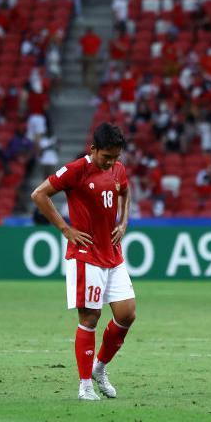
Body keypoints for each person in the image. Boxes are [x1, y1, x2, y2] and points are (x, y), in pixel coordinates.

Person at [30, 123, 135, 401]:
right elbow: (39, 195)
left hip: (112, 254)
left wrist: (123, 222)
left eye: (115, 157)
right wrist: (66, 230)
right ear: (93, 149)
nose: (111, 162)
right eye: (106, 157)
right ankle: (85, 384)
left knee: (126, 315)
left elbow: (125, 191)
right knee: (90, 317)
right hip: (86, 255)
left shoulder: (117, 169)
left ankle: (100, 369)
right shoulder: (77, 169)